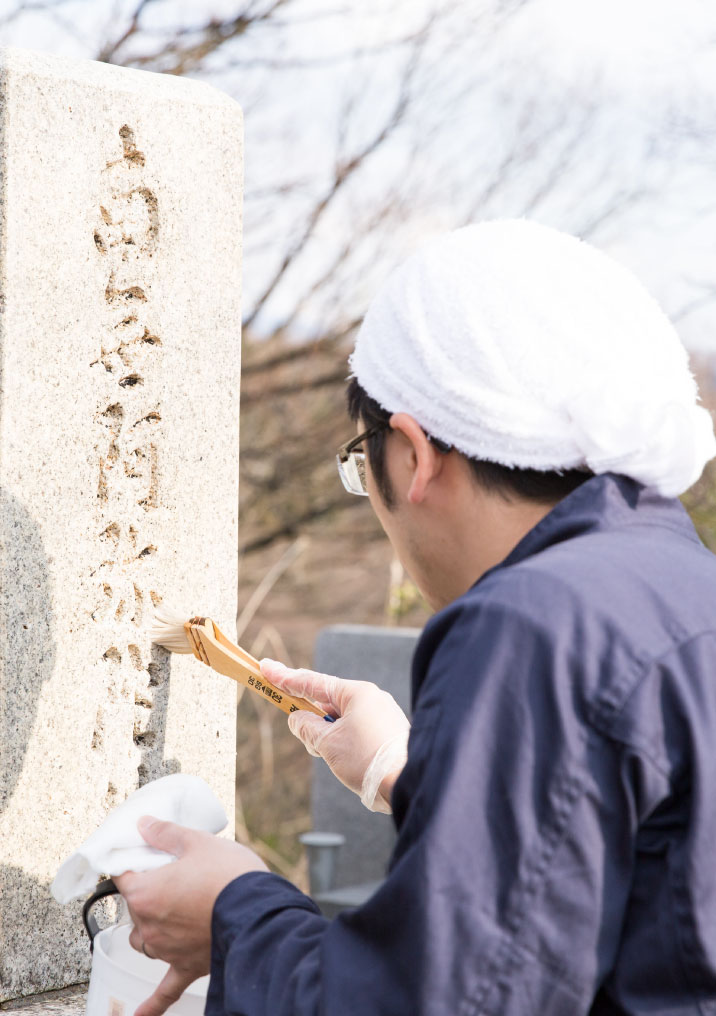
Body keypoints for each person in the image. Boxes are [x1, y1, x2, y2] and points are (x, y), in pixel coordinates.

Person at [116, 220, 716, 1015]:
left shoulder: (532, 625)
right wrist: (406, 777)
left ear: (412, 451)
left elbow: (429, 1002)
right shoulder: (683, 584)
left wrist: (234, 913)